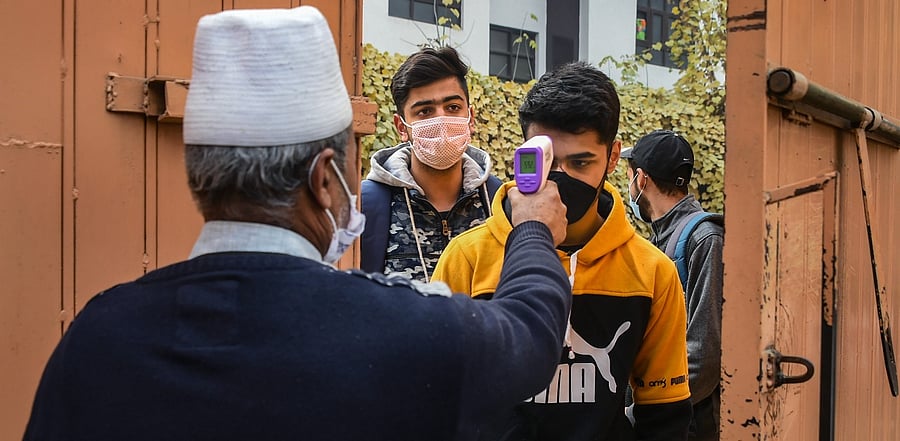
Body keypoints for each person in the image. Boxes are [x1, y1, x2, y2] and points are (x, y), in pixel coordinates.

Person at [23, 7, 575, 441]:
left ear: (202, 178)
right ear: (324, 177)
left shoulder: (98, 339)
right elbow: (527, 336)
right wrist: (531, 228)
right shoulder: (403, 329)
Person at [432, 61, 693, 440]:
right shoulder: (467, 258)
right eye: (551, 161)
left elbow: (665, 418)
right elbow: (437, 399)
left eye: (581, 162)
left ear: (614, 156)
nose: (562, 178)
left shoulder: (652, 273)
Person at [360, 46, 502, 282]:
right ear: (401, 127)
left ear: (471, 118)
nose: (441, 120)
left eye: (453, 108)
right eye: (425, 111)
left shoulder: (498, 203)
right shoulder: (369, 206)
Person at [621, 130, 725, 441]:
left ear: (641, 180)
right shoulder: (659, 238)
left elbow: (704, 356)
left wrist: (646, 411)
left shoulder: (704, 238)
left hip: (687, 424)